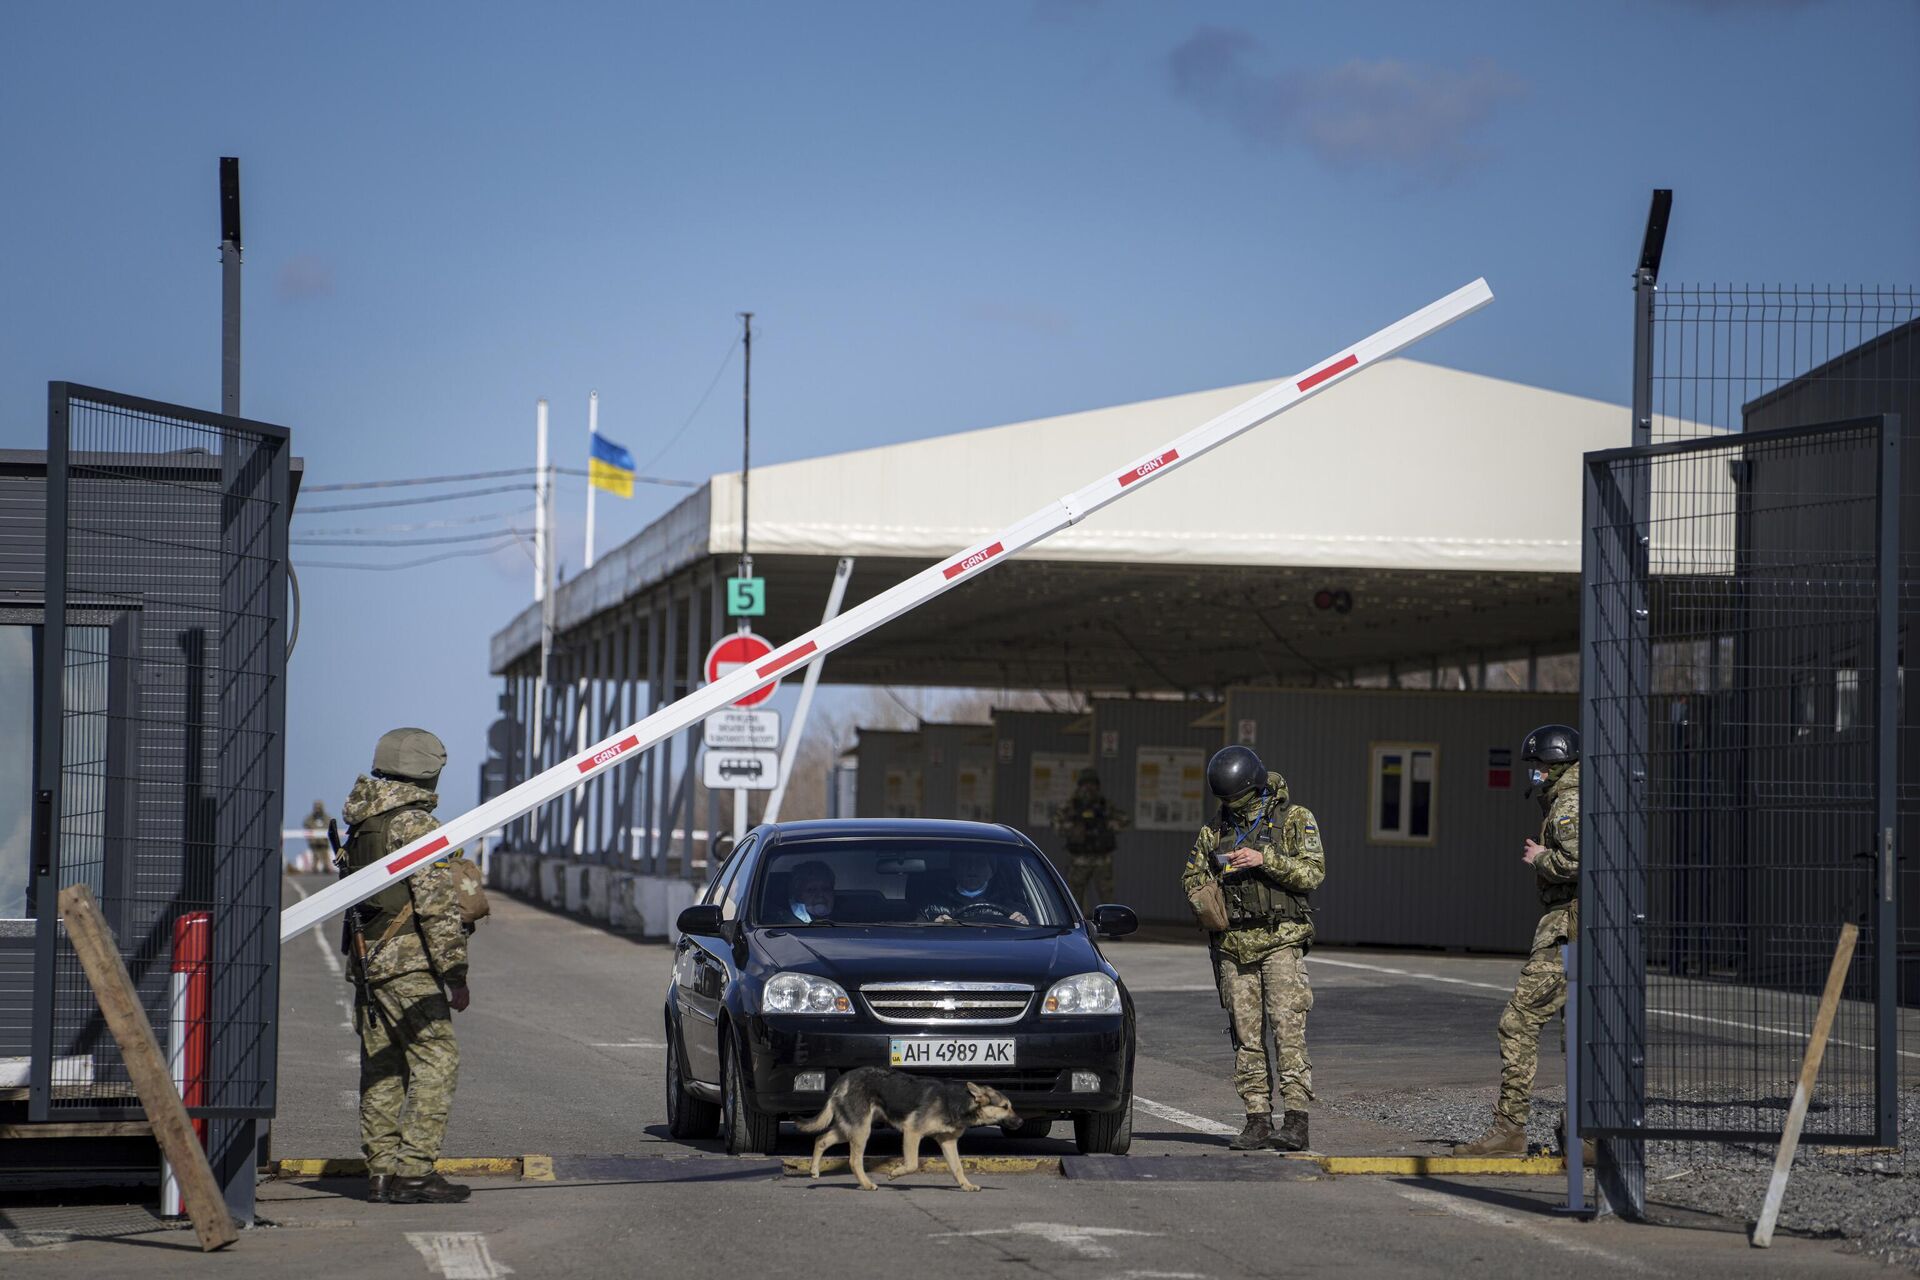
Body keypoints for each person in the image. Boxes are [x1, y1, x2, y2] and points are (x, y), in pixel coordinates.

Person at [339, 727, 474, 1205]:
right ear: (429, 771)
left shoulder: (363, 821)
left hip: (368, 961)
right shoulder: (415, 825)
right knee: (438, 1059)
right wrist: (455, 974)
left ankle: (380, 1172)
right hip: (409, 964)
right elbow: (436, 906)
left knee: (383, 1067)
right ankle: (415, 1170)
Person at [1181, 745, 1324, 1152]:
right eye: (1226, 802)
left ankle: (1296, 1120)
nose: (1232, 808)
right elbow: (1192, 877)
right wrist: (1207, 895)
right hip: (1233, 945)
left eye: (1238, 801)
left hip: (1281, 939)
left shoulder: (1295, 819)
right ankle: (1256, 1119)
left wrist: (1265, 859)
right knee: (1245, 1037)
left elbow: (1313, 872)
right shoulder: (1215, 829)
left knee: (1288, 1030)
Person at [1453, 724, 1581, 1158]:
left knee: (1519, 1020)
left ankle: (1510, 1130)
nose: (1536, 775)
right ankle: (1588, 1133)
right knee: (1580, 1031)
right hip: (1574, 929)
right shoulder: (1576, 799)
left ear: (1556, 763)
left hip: (1569, 929)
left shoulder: (1570, 803)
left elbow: (1578, 862)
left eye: (1540, 767)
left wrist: (1539, 858)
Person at [1052, 768, 1127, 913]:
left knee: (1107, 895)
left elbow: (1124, 821)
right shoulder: (1071, 805)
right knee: (1074, 896)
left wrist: (1109, 826)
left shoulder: (1105, 805)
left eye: (1092, 784)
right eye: (1085, 784)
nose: (1089, 788)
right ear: (1079, 786)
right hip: (1079, 859)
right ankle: (1075, 927)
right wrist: (1073, 828)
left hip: (1102, 858)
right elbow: (1056, 825)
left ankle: (1112, 926)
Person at [921, 849, 1031, 925]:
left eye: (980, 862)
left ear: (991, 870)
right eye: (964, 861)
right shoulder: (930, 907)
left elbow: (1038, 931)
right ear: (954, 868)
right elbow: (916, 933)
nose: (972, 868)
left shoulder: (1014, 907)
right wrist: (932, 927)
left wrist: (1025, 924)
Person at [768, 860, 836, 925]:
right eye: (811, 890)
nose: (820, 894)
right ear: (798, 896)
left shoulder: (845, 919)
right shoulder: (783, 923)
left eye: (826, 889)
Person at [302, 800, 331, 875]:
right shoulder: (310, 818)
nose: (318, 810)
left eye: (319, 808)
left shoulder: (326, 817)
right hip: (314, 840)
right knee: (315, 854)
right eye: (316, 808)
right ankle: (314, 868)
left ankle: (326, 867)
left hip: (324, 840)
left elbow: (330, 824)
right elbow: (306, 824)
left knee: (325, 854)